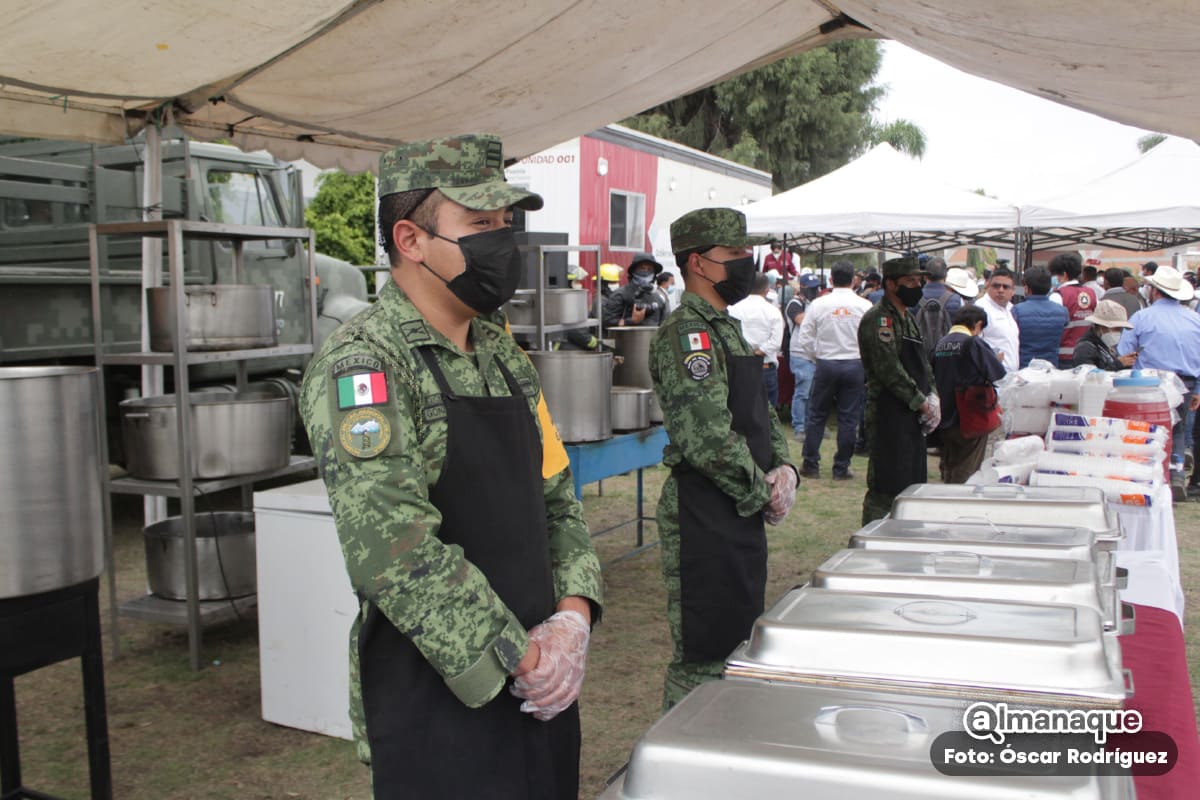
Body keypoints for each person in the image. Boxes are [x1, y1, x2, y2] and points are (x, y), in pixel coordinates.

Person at [299, 134, 603, 800]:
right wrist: (523, 658)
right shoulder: (367, 365)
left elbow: (556, 495)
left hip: (543, 687)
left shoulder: (505, 356)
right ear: (410, 239)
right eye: (480, 224)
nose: (504, 243)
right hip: (441, 695)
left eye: (505, 224)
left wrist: (573, 618)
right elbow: (393, 551)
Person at [651, 207, 798, 710]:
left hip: (739, 508)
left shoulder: (726, 327)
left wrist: (784, 469)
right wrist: (762, 492)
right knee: (703, 655)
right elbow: (707, 434)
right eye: (733, 254)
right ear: (699, 263)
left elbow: (755, 411)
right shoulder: (686, 333)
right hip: (705, 513)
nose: (745, 262)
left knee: (737, 640)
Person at [858, 256, 939, 524]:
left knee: (912, 482)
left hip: (912, 415)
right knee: (887, 484)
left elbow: (923, 362)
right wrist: (920, 401)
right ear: (891, 284)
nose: (917, 286)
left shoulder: (910, 318)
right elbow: (888, 369)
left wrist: (933, 396)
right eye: (911, 281)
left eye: (920, 281)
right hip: (888, 413)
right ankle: (873, 535)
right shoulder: (879, 320)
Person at [1117, 265, 1200, 500]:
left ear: (1154, 291)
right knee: (1179, 429)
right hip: (1185, 383)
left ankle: (1146, 473)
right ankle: (1176, 473)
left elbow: (1125, 352)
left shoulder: (1142, 317)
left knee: (1148, 430)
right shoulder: (1195, 319)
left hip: (1149, 383)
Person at [796, 260, 873, 480]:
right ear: (853, 281)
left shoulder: (819, 304)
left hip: (826, 363)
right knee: (849, 418)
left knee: (817, 415)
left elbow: (805, 337)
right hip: (854, 364)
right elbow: (870, 340)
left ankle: (811, 464)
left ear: (831, 279)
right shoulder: (864, 305)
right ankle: (841, 467)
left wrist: (816, 357)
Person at [932, 305, 1007, 483]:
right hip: (969, 416)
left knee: (949, 465)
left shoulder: (940, 344)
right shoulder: (973, 342)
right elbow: (996, 372)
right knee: (968, 469)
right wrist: (996, 360)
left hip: (944, 415)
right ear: (978, 324)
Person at [729, 273, 785, 406]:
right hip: (764, 366)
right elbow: (776, 343)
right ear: (767, 290)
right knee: (767, 415)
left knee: (740, 412)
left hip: (740, 365)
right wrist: (759, 352)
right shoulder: (773, 311)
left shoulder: (733, 309)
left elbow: (729, 336)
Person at [1048, 253, 1098, 368]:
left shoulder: (1058, 296)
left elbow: (1053, 329)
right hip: (1087, 355)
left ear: (1064, 275)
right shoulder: (1091, 293)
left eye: (1055, 275)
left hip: (1064, 357)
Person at [1012, 266, 1068, 367]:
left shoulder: (1017, 311)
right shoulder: (1062, 311)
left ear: (1026, 287)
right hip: (1051, 366)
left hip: (1025, 366)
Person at [784, 275, 819, 439]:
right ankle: (799, 426)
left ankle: (811, 424)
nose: (814, 291)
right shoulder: (794, 303)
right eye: (811, 287)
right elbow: (801, 320)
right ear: (802, 287)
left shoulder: (814, 304)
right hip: (800, 352)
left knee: (813, 393)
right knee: (803, 392)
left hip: (815, 352)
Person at [914, 257, 964, 362]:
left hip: (919, 354)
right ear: (946, 276)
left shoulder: (913, 297)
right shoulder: (956, 299)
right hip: (948, 353)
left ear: (924, 276)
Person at [604, 252, 667, 328]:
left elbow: (665, 325)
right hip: (626, 338)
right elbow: (607, 321)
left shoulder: (659, 298)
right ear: (633, 271)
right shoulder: (620, 294)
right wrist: (631, 321)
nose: (645, 272)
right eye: (642, 268)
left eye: (649, 269)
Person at [975, 266, 1019, 373]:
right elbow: (974, 346)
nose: (1000, 290)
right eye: (996, 286)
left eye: (1005, 287)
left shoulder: (1011, 309)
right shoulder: (980, 309)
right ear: (987, 286)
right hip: (992, 378)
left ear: (1013, 291)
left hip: (1011, 378)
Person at [1073, 299, 1136, 371]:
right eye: (1115, 328)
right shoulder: (1085, 348)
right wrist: (1118, 364)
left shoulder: (1104, 345)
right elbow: (1088, 378)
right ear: (1101, 326)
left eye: (1120, 329)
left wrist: (1125, 363)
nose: (1118, 332)